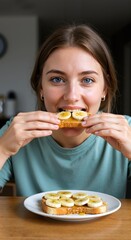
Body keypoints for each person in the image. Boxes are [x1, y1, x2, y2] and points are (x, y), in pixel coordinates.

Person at [0, 24, 131, 198]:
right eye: (57, 79)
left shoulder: (126, 131)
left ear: (104, 89)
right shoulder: (15, 132)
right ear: (41, 87)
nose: (71, 96)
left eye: (87, 80)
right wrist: (2, 150)